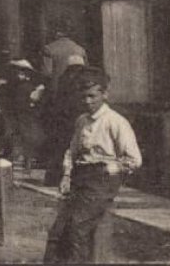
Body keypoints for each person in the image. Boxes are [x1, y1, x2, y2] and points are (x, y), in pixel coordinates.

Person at [44, 67, 141, 263]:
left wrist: (110, 169)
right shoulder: (81, 121)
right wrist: (66, 175)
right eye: (83, 97)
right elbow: (72, 151)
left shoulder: (115, 122)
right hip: (80, 177)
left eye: (92, 96)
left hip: (102, 181)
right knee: (58, 230)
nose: (87, 101)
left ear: (105, 94)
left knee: (77, 226)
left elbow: (134, 160)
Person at [0, 59, 46, 172]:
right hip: (14, 114)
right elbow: (5, 99)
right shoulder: (10, 86)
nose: (19, 74)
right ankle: (9, 160)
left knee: (27, 138)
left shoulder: (30, 86)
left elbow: (35, 99)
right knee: (12, 136)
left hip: (26, 115)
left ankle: (27, 163)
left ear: (27, 74)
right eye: (17, 71)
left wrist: (33, 103)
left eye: (22, 72)